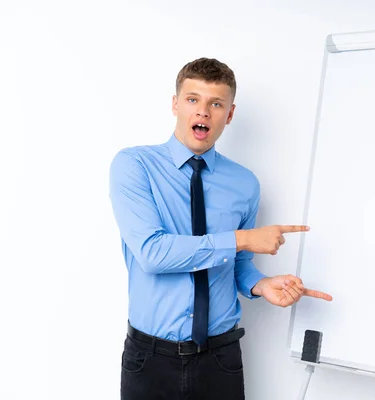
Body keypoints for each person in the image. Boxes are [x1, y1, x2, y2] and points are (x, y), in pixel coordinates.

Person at [108, 57, 332, 400]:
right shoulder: (135, 165)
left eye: (216, 103)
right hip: (150, 359)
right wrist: (242, 239)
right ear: (175, 104)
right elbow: (153, 254)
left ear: (229, 114)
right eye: (193, 99)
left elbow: (236, 263)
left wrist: (261, 285)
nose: (203, 112)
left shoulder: (244, 184)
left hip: (220, 359)